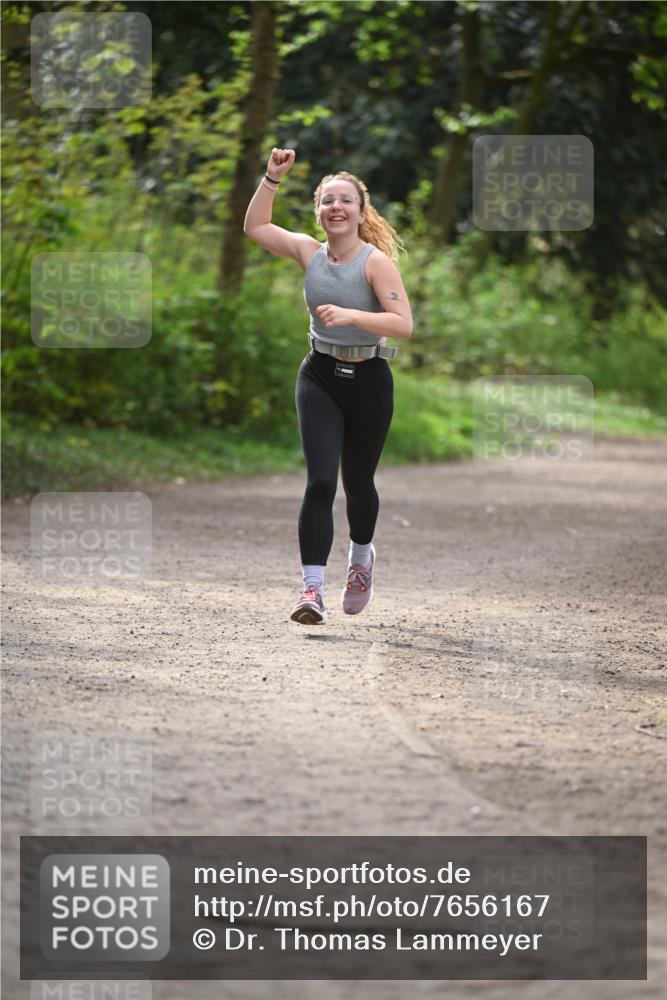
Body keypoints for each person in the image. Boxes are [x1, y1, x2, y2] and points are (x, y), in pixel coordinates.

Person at [243, 148, 413, 624]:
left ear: (361, 211)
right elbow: (255, 228)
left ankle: (361, 559)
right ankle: (311, 590)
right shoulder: (307, 252)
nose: (336, 208)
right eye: (327, 201)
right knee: (320, 481)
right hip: (319, 375)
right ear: (319, 211)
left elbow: (403, 324)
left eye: (345, 201)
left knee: (357, 484)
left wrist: (353, 316)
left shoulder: (375, 263)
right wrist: (272, 179)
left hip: (369, 380)